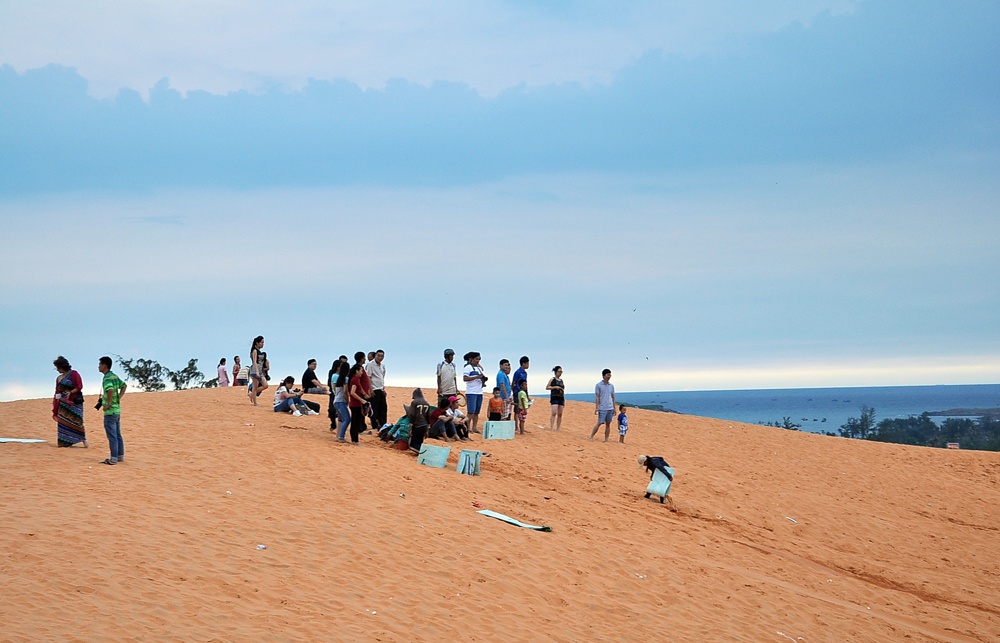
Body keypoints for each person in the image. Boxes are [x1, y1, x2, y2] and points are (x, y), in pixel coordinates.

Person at [52, 356, 87, 448]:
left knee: (77, 421)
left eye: (58, 367)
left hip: (74, 402)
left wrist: (71, 392)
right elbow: (57, 390)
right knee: (63, 422)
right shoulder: (59, 378)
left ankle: (83, 440)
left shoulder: (74, 374)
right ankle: (65, 441)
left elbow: (79, 386)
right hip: (63, 403)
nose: (57, 369)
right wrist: (56, 401)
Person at [98, 356, 126, 465]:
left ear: (105, 366)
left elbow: (109, 390)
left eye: (100, 364)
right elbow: (124, 386)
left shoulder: (107, 378)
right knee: (118, 434)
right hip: (117, 410)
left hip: (110, 412)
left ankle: (113, 458)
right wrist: (119, 397)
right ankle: (120, 456)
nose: (98, 366)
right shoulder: (114, 376)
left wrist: (108, 403)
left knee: (112, 436)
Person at [462, 351, 487, 434]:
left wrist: (483, 380)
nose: (478, 361)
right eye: (476, 359)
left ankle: (474, 427)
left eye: (479, 359)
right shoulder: (467, 367)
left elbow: (481, 376)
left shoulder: (479, 368)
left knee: (476, 412)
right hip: (471, 392)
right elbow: (465, 378)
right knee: (470, 411)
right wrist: (477, 377)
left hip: (479, 391)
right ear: (471, 359)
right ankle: (467, 427)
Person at [589, 369, 617, 442]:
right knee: (599, 422)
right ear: (604, 375)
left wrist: (614, 408)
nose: (609, 376)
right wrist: (597, 408)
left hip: (610, 407)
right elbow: (597, 397)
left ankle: (606, 439)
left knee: (608, 424)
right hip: (602, 407)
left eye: (610, 375)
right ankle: (591, 436)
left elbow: (613, 397)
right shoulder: (599, 385)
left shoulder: (611, 386)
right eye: (608, 375)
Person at [347, 363, 371, 444]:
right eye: (361, 371)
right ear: (356, 371)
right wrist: (362, 400)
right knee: (355, 422)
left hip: (357, 404)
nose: (362, 372)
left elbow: (359, 389)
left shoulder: (357, 379)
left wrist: (365, 395)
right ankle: (354, 440)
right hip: (355, 404)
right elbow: (352, 392)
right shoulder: (354, 380)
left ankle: (355, 440)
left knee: (356, 422)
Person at [366, 349, 387, 431]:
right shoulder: (370, 365)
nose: (380, 357)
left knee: (383, 408)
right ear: (375, 356)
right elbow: (368, 377)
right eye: (378, 355)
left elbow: (382, 377)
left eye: (382, 356)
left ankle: (383, 425)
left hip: (381, 389)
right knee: (374, 409)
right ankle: (375, 425)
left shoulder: (382, 366)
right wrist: (370, 389)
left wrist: (383, 388)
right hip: (374, 389)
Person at [405, 388, 431, 453]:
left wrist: (410, 428)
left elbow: (412, 415)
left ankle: (422, 452)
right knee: (419, 442)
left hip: (417, 425)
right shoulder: (426, 403)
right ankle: (421, 451)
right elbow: (428, 417)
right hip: (424, 425)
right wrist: (427, 429)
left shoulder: (414, 402)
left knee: (412, 444)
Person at [331, 360, 351, 442]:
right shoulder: (345, 379)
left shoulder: (339, 378)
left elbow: (335, 389)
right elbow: (345, 391)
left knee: (341, 419)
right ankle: (341, 436)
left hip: (336, 401)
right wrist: (348, 400)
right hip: (341, 401)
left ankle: (339, 435)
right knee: (347, 419)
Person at [248, 335, 268, 405]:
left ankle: (252, 394)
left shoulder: (260, 351)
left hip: (260, 370)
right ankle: (255, 403)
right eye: (261, 342)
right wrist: (256, 371)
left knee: (265, 385)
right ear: (257, 343)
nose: (263, 344)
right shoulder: (254, 351)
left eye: (263, 342)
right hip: (255, 370)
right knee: (255, 386)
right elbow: (254, 362)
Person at [546, 366, 565, 431]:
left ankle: (558, 428)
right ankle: (551, 427)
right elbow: (547, 387)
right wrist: (555, 387)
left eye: (561, 372)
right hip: (554, 397)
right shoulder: (552, 379)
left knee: (560, 413)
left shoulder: (561, 380)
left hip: (561, 398)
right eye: (559, 371)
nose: (560, 373)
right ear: (556, 372)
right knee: (554, 412)